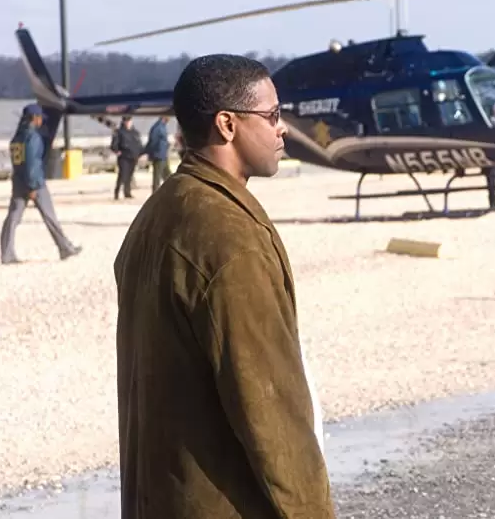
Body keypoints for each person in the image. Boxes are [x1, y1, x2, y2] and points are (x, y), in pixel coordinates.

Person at [112, 54, 336, 518]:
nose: (283, 129)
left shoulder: (158, 212)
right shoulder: (231, 239)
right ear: (227, 125)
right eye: (272, 115)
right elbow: (270, 410)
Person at [0, 103, 82, 264]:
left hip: (18, 182)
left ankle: (6, 253)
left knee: (13, 218)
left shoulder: (16, 137)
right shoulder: (32, 137)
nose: (40, 121)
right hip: (35, 183)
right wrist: (33, 186)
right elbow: (32, 163)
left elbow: (20, 163)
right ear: (34, 118)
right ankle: (65, 248)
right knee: (50, 217)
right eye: (39, 118)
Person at [109, 116, 144, 200]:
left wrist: (141, 153)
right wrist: (117, 151)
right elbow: (114, 145)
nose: (128, 123)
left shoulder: (135, 132)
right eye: (126, 121)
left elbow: (139, 144)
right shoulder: (119, 132)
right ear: (124, 122)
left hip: (133, 157)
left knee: (129, 175)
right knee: (122, 175)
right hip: (124, 157)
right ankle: (117, 192)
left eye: (129, 121)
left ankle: (127, 192)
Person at [144, 115, 172, 191]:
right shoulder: (157, 127)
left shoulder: (163, 126)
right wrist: (151, 153)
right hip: (158, 155)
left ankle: (171, 191)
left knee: (168, 175)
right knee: (157, 176)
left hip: (163, 155)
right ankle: (155, 193)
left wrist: (167, 145)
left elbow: (162, 141)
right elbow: (153, 142)